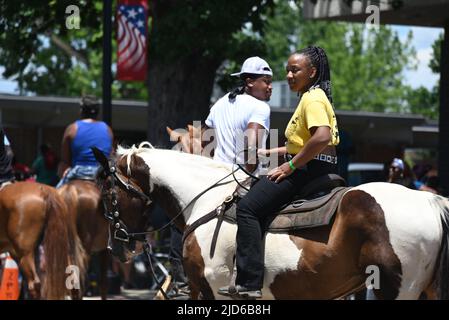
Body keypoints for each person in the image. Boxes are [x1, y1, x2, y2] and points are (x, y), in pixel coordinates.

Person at [218, 46, 340, 299]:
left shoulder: (313, 98)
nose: (289, 76)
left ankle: (249, 283)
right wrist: (270, 152)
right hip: (318, 164)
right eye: (287, 70)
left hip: (307, 169)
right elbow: (303, 142)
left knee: (248, 208)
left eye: (295, 70)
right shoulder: (313, 96)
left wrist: (290, 165)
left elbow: (321, 137)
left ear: (312, 71)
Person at [204, 56, 272, 174]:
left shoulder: (220, 102)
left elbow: (205, 142)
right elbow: (251, 147)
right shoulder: (261, 107)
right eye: (266, 81)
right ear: (250, 82)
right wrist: (249, 179)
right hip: (242, 179)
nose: (270, 87)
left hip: (215, 175)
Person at [57, 95, 113, 187]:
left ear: (81, 110)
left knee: (56, 197)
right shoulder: (108, 130)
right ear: (98, 111)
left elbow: (65, 161)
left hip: (78, 173)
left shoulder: (72, 128)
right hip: (101, 175)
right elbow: (110, 157)